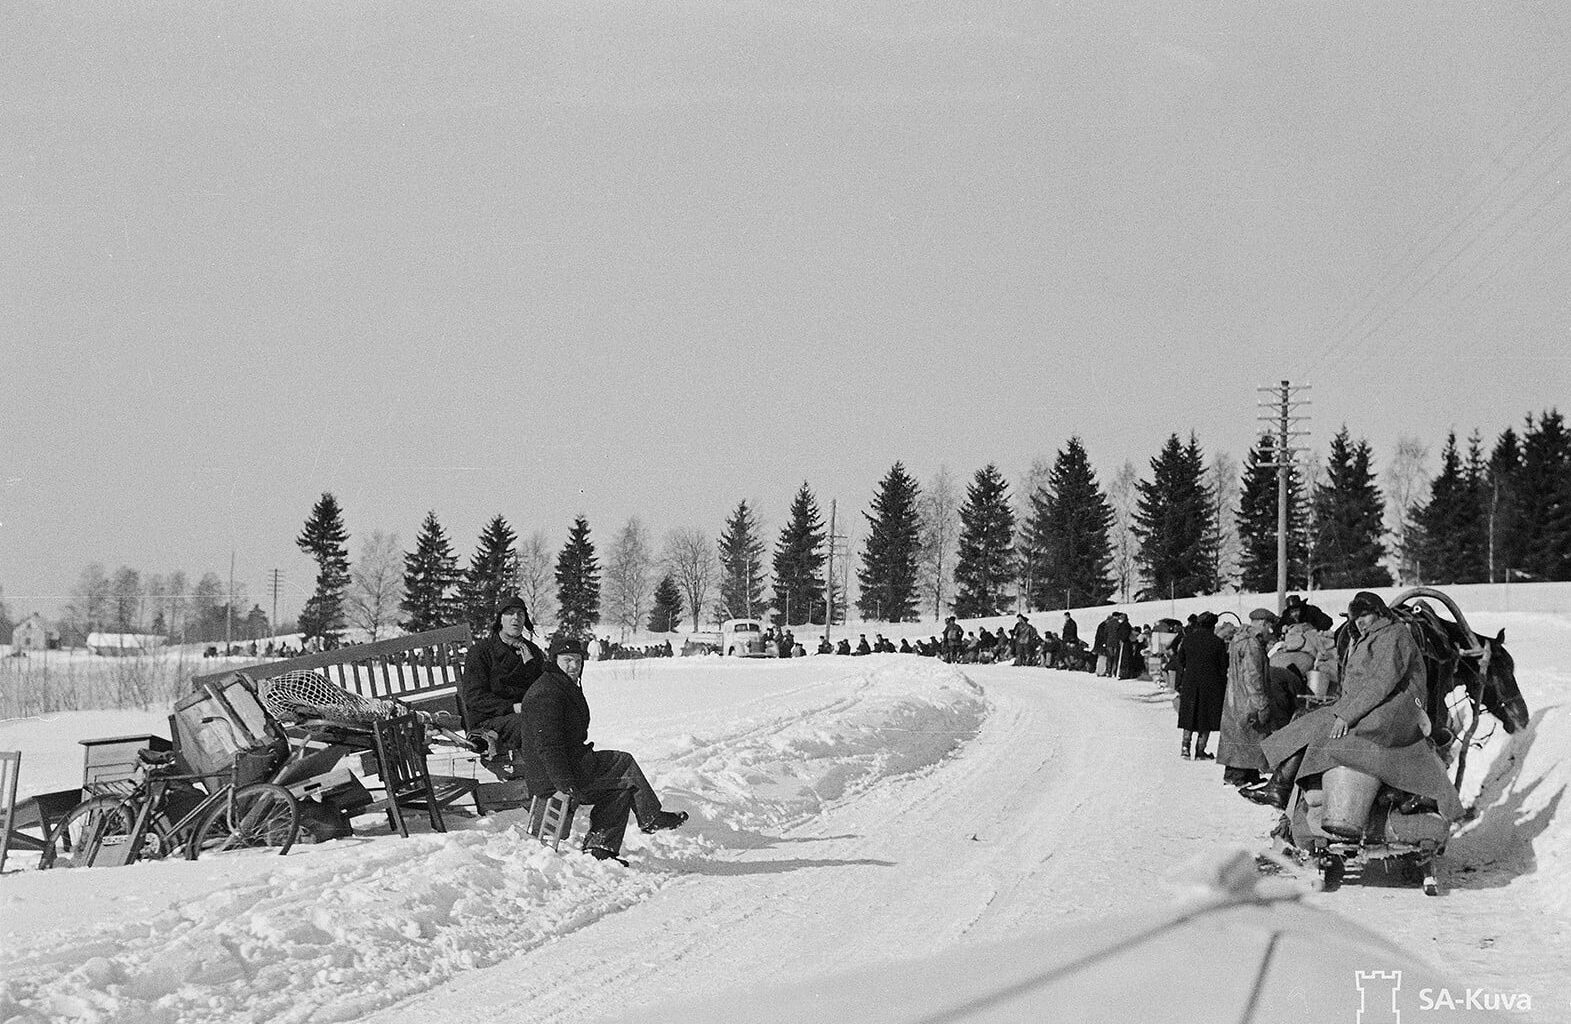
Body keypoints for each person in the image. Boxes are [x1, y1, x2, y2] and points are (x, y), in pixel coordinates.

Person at [1248, 592, 1463, 823]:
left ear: (1379, 612)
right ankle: (1280, 785)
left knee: (1329, 730)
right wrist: (1342, 708)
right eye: (1355, 618)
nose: (1359, 622)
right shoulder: (1374, 635)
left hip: (1399, 707)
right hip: (1384, 703)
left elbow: (1380, 683)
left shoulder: (1393, 635)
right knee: (1309, 717)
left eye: (1364, 616)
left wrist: (1346, 715)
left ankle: (1282, 786)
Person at [519, 634, 688, 863]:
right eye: (567, 660)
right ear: (554, 660)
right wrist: (564, 784)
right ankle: (650, 818)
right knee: (624, 763)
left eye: (578, 661)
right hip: (555, 775)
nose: (574, 666)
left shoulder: (560, 685)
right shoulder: (548, 692)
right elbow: (548, 746)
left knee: (621, 788)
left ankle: (601, 849)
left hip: (571, 765)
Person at [461, 595, 547, 771]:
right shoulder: (481, 652)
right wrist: (512, 707)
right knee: (531, 723)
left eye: (520, 614)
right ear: (500, 618)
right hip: (489, 720)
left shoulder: (532, 652)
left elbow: (542, 687)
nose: (515, 618)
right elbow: (474, 697)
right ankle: (540, 777)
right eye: (510, 613)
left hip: (526, 713)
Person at [1175, 611, 1228, 760]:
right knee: (1206, 716)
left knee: (1189, 714)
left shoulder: (1188, 639)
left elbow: (1181, 660)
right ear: (1213, 625)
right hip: (1211, 683)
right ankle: (1200, 751)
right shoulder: (1217, 642)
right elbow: (1223, 666)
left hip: (1190, 681)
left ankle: (1185, 748)